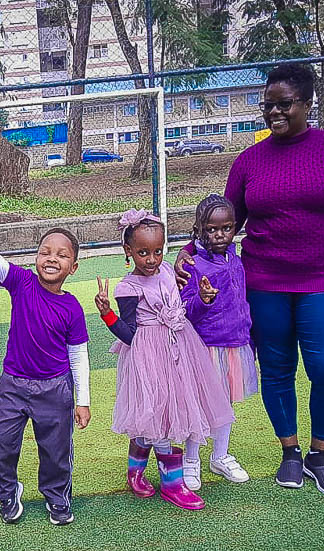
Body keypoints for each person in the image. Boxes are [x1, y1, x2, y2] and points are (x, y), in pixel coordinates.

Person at [175, 63, 324, 496]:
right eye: (267, 106)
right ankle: (291, 453)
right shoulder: (249, 160)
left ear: (307, 103)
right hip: (263, 283)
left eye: (284, 105)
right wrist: (186, 256)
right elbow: (223, 224)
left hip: (323, 280)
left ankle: (321, 454)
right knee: (277, 370)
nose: (274, 113)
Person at [0, 187, 90, 526]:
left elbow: (79, 356)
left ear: (72, 267)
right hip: (14, 386)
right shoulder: (21, 282)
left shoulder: (73, 307)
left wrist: (83, 400)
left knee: (56, 452)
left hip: (55, 390)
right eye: (45, 251)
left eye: (61, 255)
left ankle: (57, 498)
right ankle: (8, 492)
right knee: (0, 446)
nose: (51, 258)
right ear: (35, 257)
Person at [95, 213, 234, 511]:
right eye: (143, 252)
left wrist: (201, 298)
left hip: (179, 351)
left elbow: (184, 313)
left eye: (157, 251)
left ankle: (136, 470)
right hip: (147, 356)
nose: (151, 259)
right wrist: (107, 313)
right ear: (128, 251)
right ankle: (173, 483)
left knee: (167, 415)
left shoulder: (169, 273)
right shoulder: (128, 288)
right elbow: (129, 334)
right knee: (157, 417)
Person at [178, 196, 258, 490]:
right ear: (198, 229)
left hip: (235, 346)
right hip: (205, 348)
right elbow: (184, 309)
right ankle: (191, 459)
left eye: (226, 228)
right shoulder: (193, 265)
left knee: (225, 404)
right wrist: (202, 299)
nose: (219, 235)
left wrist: (248, 337)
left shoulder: (236, 260)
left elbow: (242, 303)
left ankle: (220, 455)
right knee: (198, 405)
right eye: (211, 229)